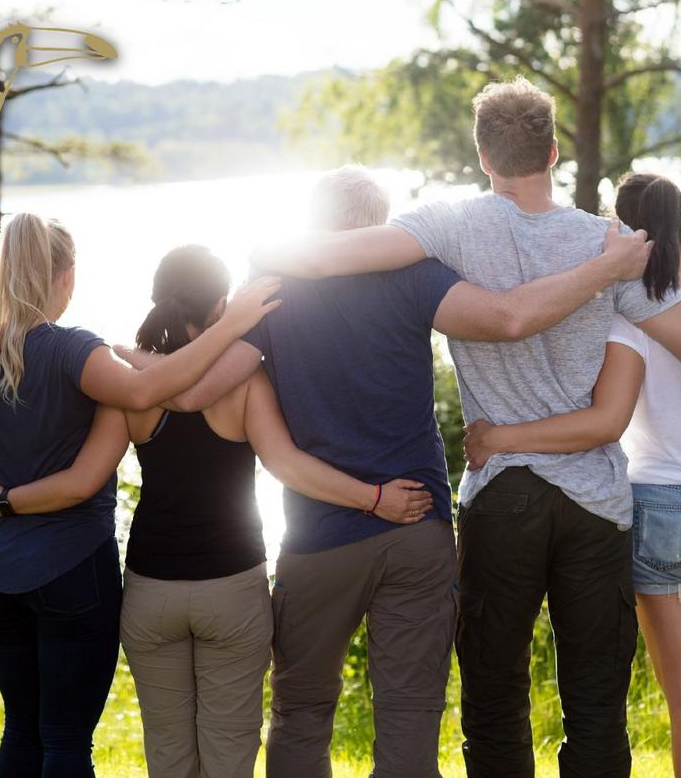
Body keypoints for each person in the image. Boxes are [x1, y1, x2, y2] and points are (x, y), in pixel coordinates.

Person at [251, 80, 681, 778]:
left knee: (496, 697)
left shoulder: (450, 227)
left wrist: (259, 256)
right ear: (554, 152)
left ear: (483, 158)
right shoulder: (609, 243)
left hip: (501, 492)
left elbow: (323, 256)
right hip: (596, 501)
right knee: (598, 705)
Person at [139, 163, 651, 778]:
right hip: (416, 523)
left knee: (301, 710)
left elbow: (194, 394)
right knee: (409, 712)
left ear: (316, 222)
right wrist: (606, 268)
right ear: (379, 225)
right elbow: (507, 318)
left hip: (319, 537)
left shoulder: (274, 290)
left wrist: (126, 361)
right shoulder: (414, 274)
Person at [0, 244, 434, 778]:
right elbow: (287, 464)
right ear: (221, 307)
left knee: (168, 752)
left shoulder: (132, 388)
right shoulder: (245, 381)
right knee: (230, 754)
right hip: (231, 589)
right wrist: (373, 497)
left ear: (159, 300)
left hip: (151, 590)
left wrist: (5, 498)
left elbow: (83, 480)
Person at [462, 173, 681, 778]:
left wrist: (499, 437)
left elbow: (606, 419)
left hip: (669, 510)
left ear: (622, 232)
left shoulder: (630, 313)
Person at [0, 213, 279, 778]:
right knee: (66, 740)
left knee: (21, 728)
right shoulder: (74, 351)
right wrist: (234, 326)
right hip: (73, 570)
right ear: (66, 277)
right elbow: (143, 398)